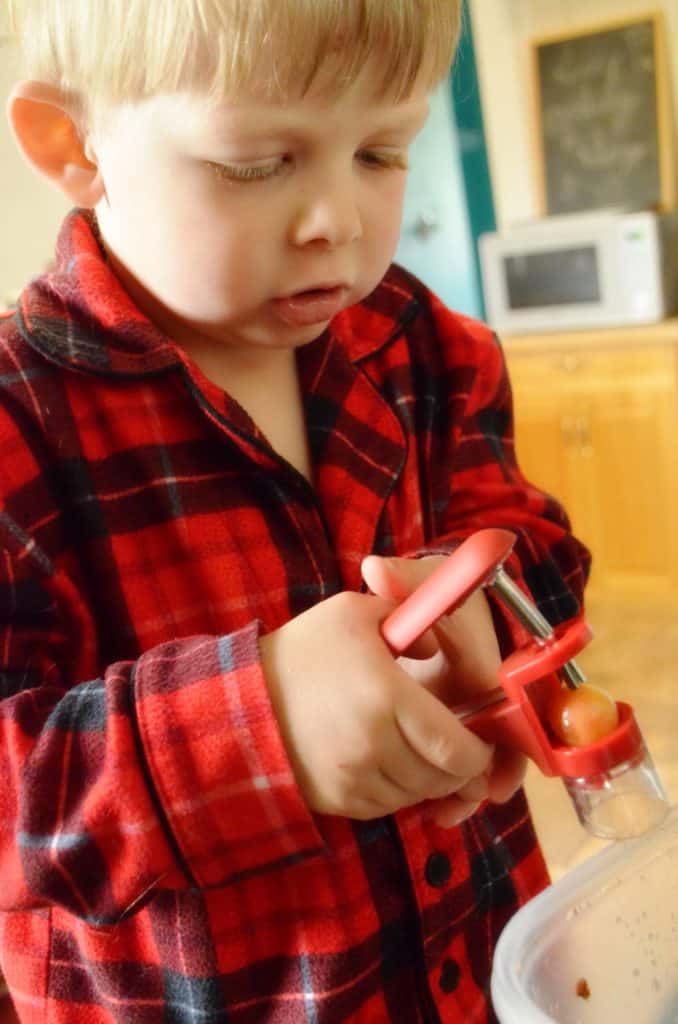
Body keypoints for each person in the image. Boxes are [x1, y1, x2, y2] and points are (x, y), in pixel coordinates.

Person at [0, 1, 590, 1020]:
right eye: (258, 161)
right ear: (74, 144)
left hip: (481, 963)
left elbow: (536, 545)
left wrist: (490, 619)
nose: (338, 220)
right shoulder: (22, 425)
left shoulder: (429, 348)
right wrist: (253, 726)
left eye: (380, 150)